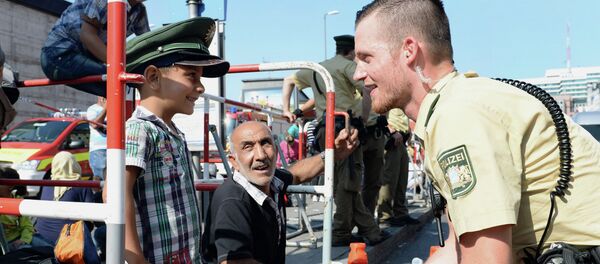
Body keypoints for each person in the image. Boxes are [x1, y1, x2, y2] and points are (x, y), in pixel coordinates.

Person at [354, 1, 600, 263]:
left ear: (409, 51)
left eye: (366, 58)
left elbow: (487, 258)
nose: (357, 74)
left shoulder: (458, 115)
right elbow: (456, 249)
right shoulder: (456, 104)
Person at [116, 17, 230, 264]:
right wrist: (136, 261)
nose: (200, 87)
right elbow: (115, 193)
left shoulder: (172, 132)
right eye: (192, 75)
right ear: (154, 77)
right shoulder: (140, 129)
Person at [281, 34, 388, 246]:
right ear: (351, 52)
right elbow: (366, 92)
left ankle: (356, 229)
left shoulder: (317, 68)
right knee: (349, 182)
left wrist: (286, 109)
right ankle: (346, 231)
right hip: (343, 129)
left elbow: (288, 80)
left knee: (341, 182)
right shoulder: (348, 67)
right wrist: (363, 121)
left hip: (323, 129)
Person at [201, 121, 359, 263]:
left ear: (276, 149)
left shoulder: (270, 181)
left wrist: (333, 154)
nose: (261, 155)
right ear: (234, 161)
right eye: (248, 147)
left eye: (265, 143)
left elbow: (296, 173)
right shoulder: (233, 201)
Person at [40, 0, 149, 97]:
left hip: (83, 56)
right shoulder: (105, 1)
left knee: (129, 83)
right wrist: (122, 66)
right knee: (118, 81)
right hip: (59, 55)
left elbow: (147, 45)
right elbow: (87, 35)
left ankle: (117, 118)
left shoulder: (139, 11)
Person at [34, 151, 99, 262]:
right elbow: (91, 220)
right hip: (68, 243)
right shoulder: (82, 186)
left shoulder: (46, 185)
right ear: (74, 165)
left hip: (40, 238)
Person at [377, 108, 419, 226]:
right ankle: (384, 217)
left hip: (400, 138)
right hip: (392, 137)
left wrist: (408, 130)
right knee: (389, 179)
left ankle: (400, 213)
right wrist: (390, 130)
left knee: (401, 179)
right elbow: (379, 112)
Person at [87, 97, 107, 181]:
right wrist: (106, 109)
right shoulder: (93, 109)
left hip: (113, 148)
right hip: (99, 150)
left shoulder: (116, 107)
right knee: (101, 181)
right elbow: (94, 124)